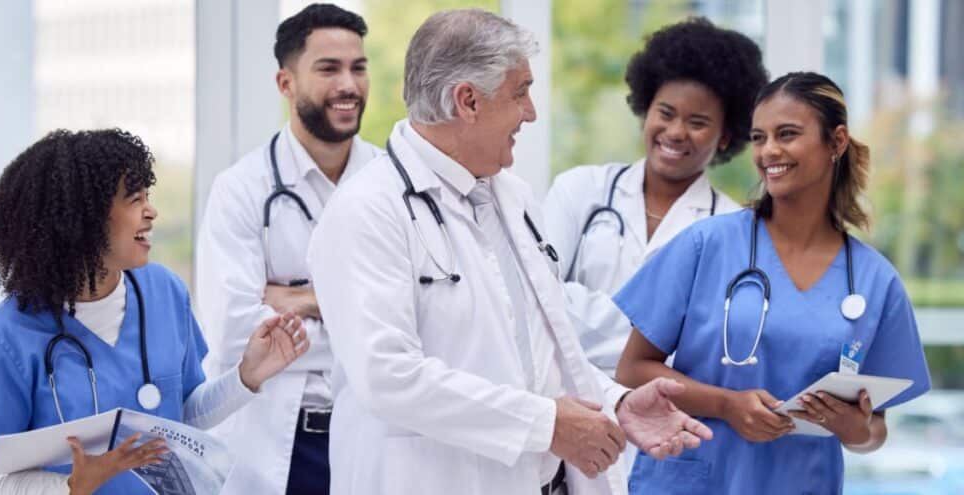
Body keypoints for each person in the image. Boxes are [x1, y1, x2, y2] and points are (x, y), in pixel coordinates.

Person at [308, 10, 712, 495]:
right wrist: (547, 425)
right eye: (519, 92)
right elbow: (388, 375)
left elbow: (543, 346)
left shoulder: (512, 196)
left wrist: (615, 403)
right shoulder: (367, 210)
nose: (531, 112)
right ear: (468, 101)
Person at [0, 129, 309, 495]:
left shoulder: (163, 291)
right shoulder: (5, 336)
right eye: (134, 200)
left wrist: (246, 377)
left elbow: (180, 419)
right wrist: (69, 487)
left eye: (147, 196)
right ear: (81, 219)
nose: (151, 211)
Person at [614, 72, 931, 494]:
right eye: (759, 138)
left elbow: (876, 431)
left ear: (836, 142)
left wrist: (854, 430)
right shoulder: (706, 244)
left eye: (787, 134)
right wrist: (725, 405)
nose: (769, 152)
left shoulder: (876, 281)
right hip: (693, 480)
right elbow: (632, 370)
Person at [195, 4, 381, 495]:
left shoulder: (393, 183)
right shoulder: (240, 190)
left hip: (371, 439)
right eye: (328, 69)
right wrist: (361, 314)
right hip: (279, 447)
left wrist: (303, 300)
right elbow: (237, 333)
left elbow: (418, 322)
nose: (349, 84)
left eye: (358, 68)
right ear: (285, 83)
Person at [543, 17, 767, 378]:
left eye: (697, 122)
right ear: (646, 110)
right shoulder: (580, 190)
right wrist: (661, 336)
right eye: (665, 113)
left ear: (725, 136)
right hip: (573, 408)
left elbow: (712, 348)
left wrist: (578, 313)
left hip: (669, 422)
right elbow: (536, 298)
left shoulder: (734, 230)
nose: (676, 132)